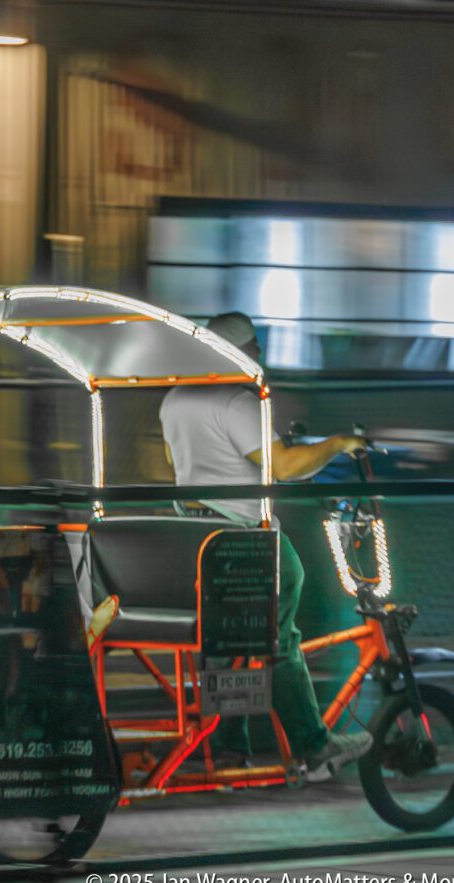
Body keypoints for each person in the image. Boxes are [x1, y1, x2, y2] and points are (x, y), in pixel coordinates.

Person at [159, 312, 372, 781]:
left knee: (227, 643)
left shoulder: (173, 400)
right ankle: (314, 746)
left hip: (198, 541)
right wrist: (338, 444)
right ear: (241, 351)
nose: (261, 358)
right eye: (256, 348)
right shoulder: (236, 402)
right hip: (249, 543)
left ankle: (228, 747)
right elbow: (285, 467)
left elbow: (182, 462)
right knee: (278, 639)